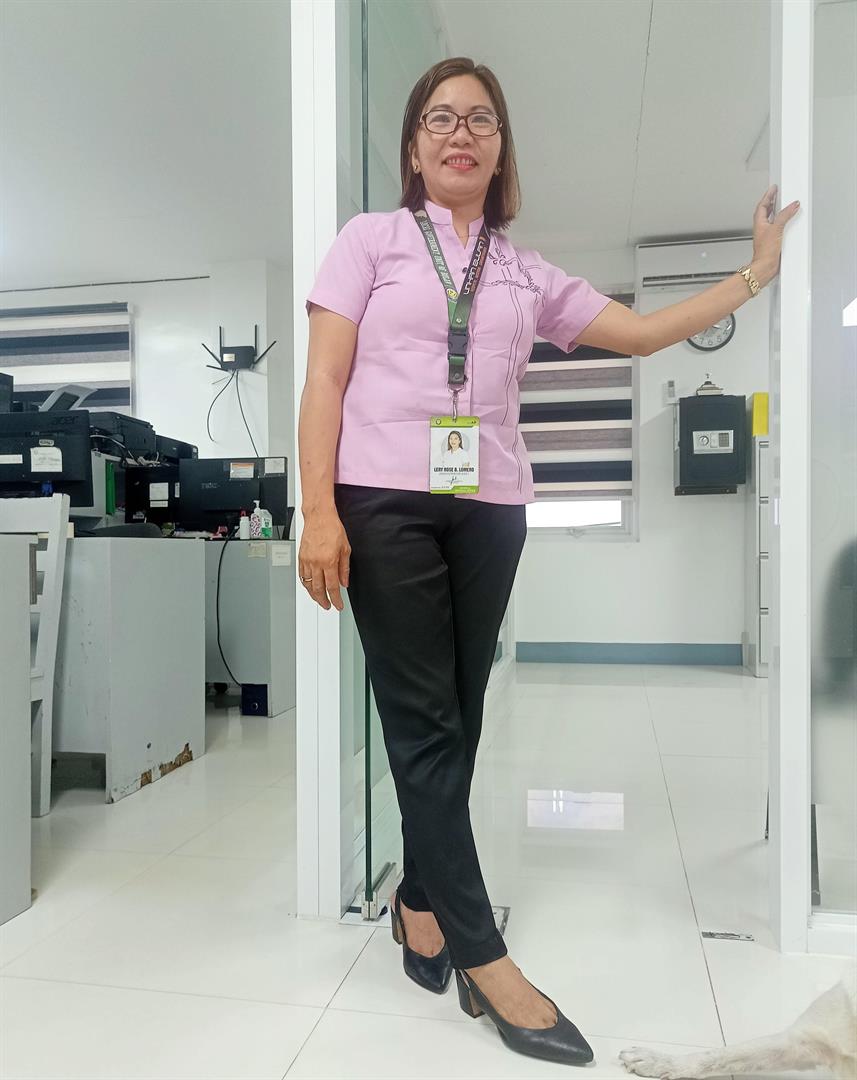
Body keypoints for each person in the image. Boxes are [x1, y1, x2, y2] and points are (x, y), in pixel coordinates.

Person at [297, 56, 799, 1068]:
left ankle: (417, 901)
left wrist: (756, 274)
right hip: (382, 502)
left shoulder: (524, 274)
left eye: (480, 120)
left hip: (489, 507)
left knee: (460, 716)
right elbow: (324, 378)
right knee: (423, 723)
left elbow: (643, 334)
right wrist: (315, 510)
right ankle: (484, 959)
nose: (460, 133)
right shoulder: (368, 242)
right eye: (440, 118)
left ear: (500, 151)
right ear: (413, 147)